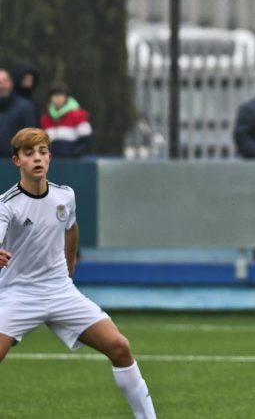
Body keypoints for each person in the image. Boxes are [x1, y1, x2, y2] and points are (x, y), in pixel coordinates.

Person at [0, 128, 156, 418]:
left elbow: (71, 229)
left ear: (50, 157)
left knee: (120, 347)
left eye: (43, 152)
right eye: (29, 153)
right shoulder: (7, 205)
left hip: (60, 291)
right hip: (18, 294)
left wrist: (69, 267)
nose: (37, 158)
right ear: (16, 161)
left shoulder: (65, 196)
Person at [39, 82, 93, 158]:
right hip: (51, 162)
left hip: (73, 162)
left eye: (61, 95)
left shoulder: (78, 115)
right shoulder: (45, 118)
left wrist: (74, 153)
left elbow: (86, 142)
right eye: (54, 95)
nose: (57, 98)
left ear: (66, 97)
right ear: (50, 98)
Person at [0, 68, 37, 158]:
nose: (1, 85)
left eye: (4, 81)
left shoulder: (25, 107)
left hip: (15, 162)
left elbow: (31, 137)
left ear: (11, 83)